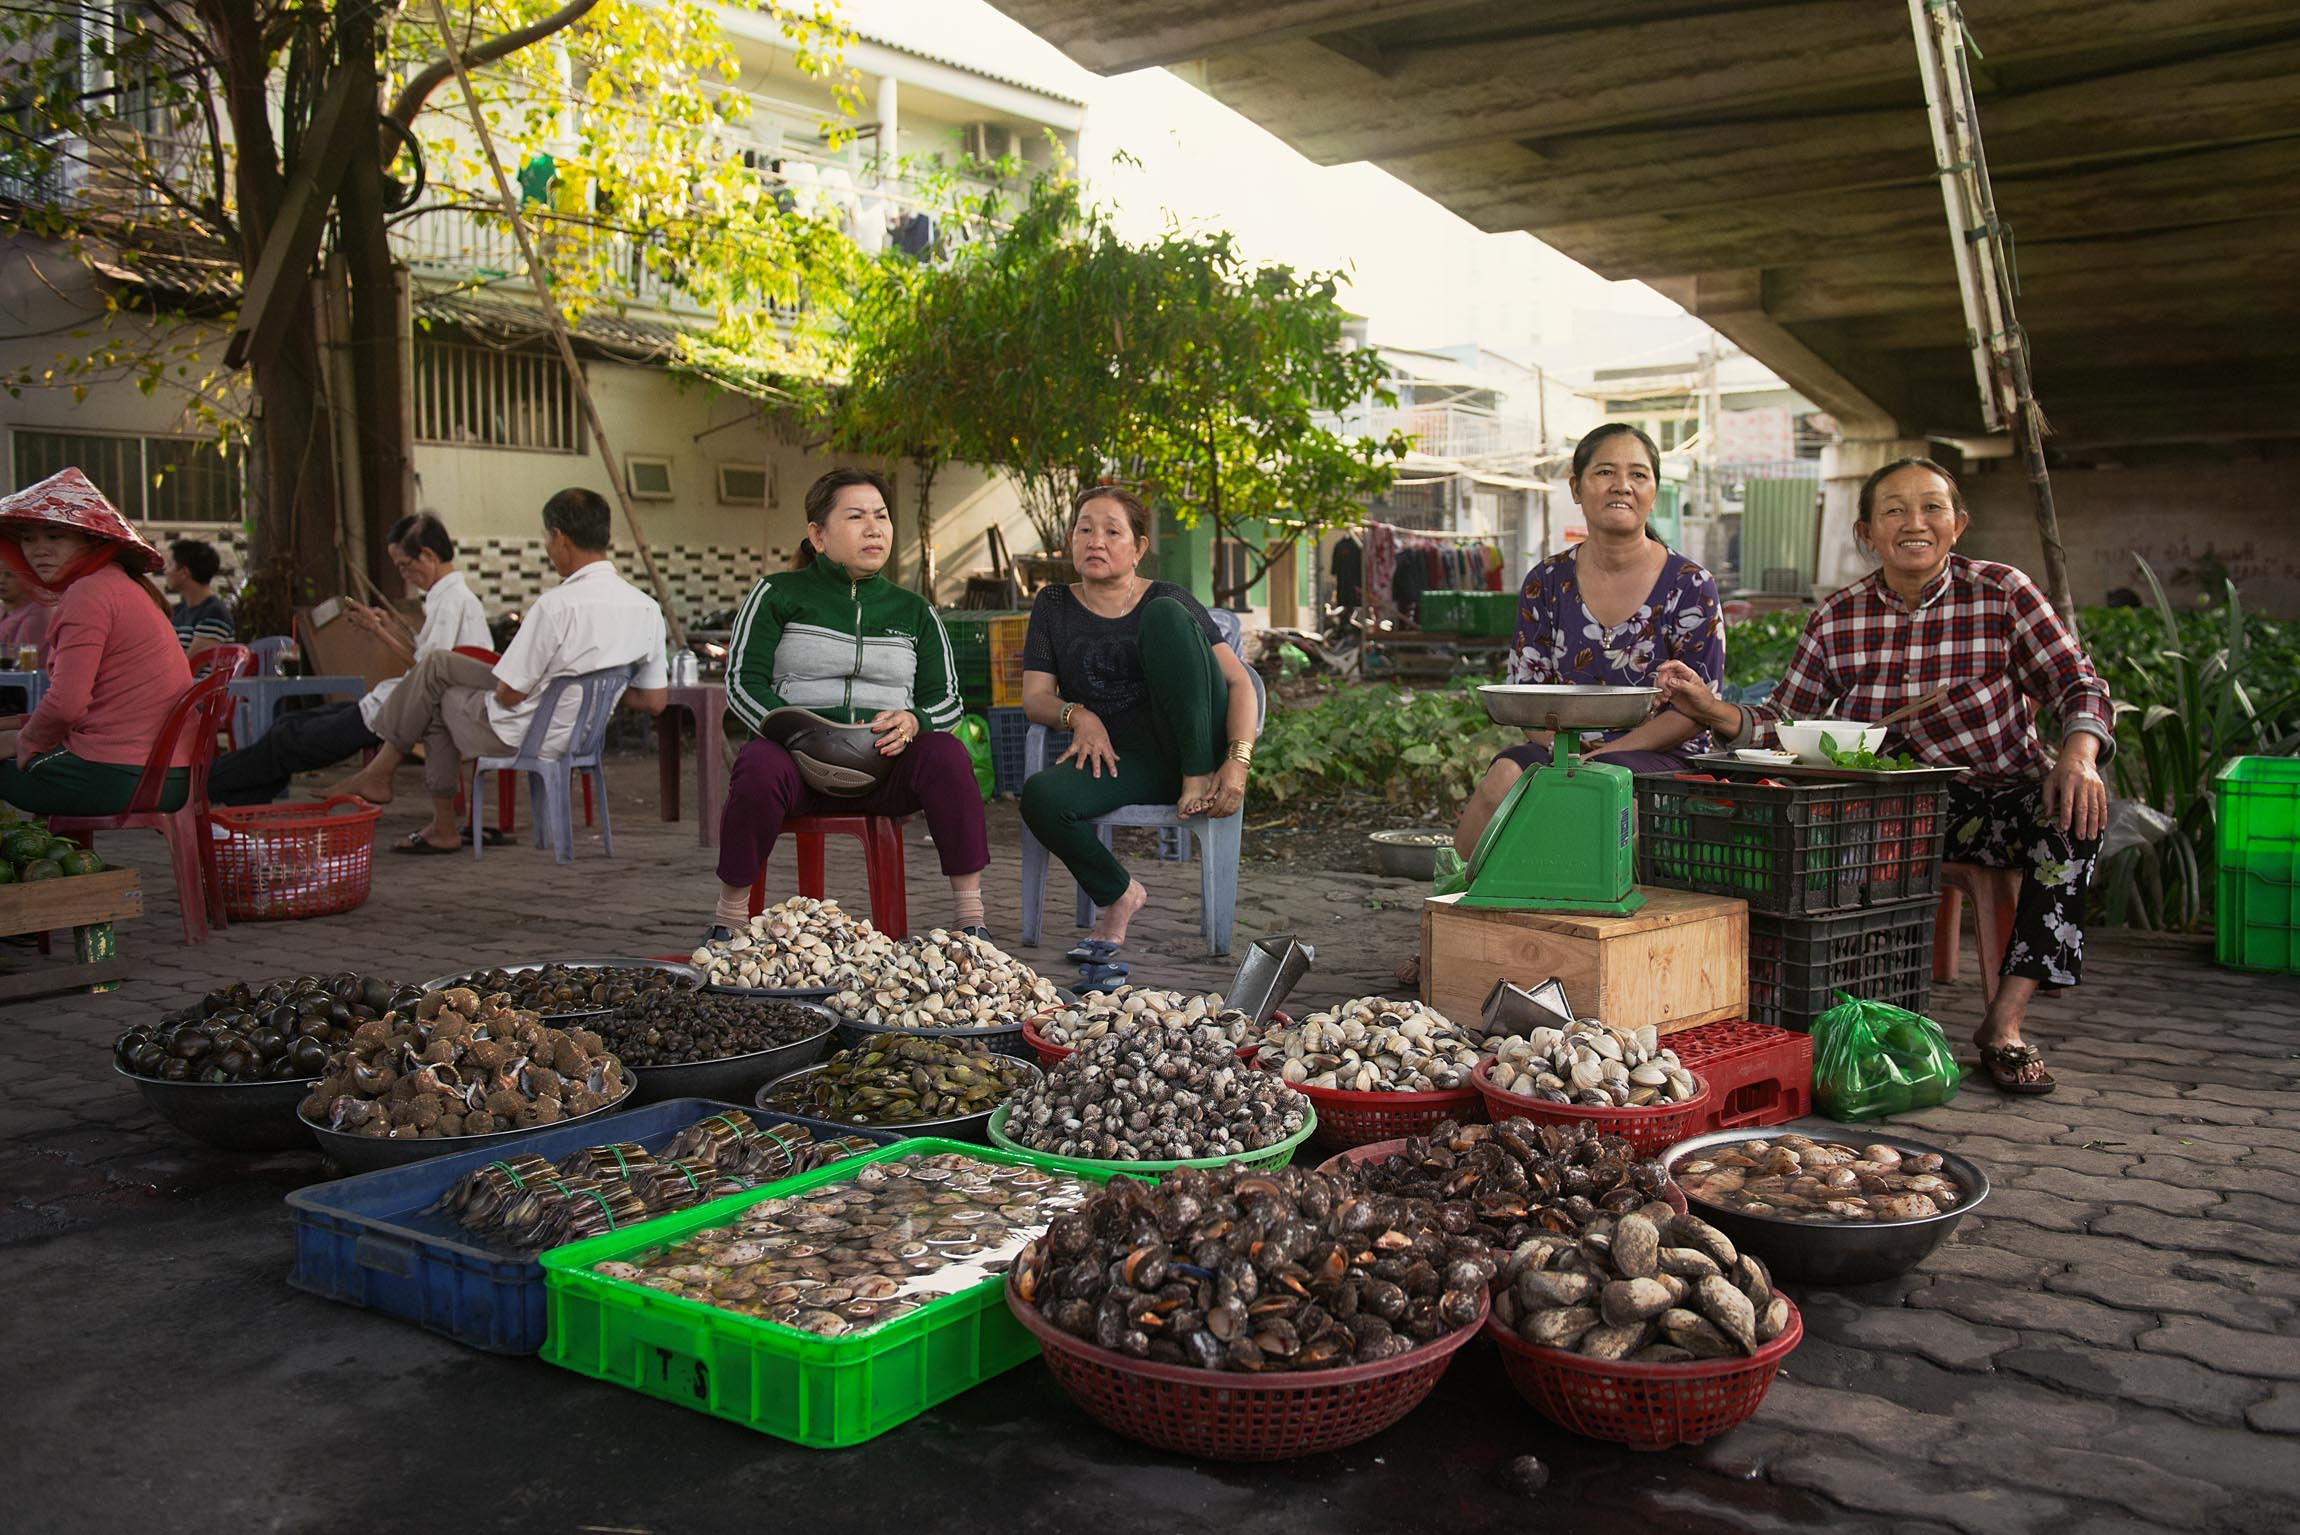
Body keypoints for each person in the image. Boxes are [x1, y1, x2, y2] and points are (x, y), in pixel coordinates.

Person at [1655, 456, 2113, 1096]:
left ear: (1958, 525)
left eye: (1931, 508)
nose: (1914, 523)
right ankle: (1839, 1014)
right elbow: (1784, 720)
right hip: (1888, 812)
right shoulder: (1837, 616)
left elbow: (2078, 684)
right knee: (1789, 834)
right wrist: (1710, 709)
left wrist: (2078, 756)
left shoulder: (2003, 593)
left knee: (2073, 819)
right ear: (1867, 533)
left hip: (1995, 802)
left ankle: (2004, 1023)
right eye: (1894, 510)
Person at [708, 468, 982, 942]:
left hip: (885, 765)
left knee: (948, 756)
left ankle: (971, 920)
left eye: (881, 516)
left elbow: (947, 700)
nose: (874, 529)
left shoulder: (915, 611)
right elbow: (742, 682)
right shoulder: (777, 594)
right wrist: (790, 729)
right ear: (818, 535)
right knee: (757, 766)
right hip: (796, 762)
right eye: (856, 517)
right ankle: (729, 919)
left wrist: (914, 720)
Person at [331, 488, 667, 850]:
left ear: (559, 537)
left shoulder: (555, 607)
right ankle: (383, 775)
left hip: (523, 732)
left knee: (436, 698)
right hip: (581, 734)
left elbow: (509, 695)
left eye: (546, 537)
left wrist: (559, 685)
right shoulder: (647, 609)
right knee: (436, 665)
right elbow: (654, 702)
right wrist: (595, 690)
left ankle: (432, 818)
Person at [1017, 486, 1260, 985]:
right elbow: (1035, 697)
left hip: (1188, 746)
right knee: (1041, 797)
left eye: (1112, 531)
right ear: (1071, 540)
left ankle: (1195, 774)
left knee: (1165, 618)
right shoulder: (1054, 604)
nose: (1096, 541)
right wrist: (1079, 716)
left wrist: (1237, 760)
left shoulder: (1168, 598)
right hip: (1118, 758)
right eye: (1085, 529)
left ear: (1139, 547)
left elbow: (1239, 683)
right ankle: (1120, 893)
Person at [1453, 423, 1727, 858]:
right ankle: (1459, 892)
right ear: (1576, 488)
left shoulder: (1691, 585)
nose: (1622, 485)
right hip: (1561, 748)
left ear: (1653, 491)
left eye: (1638, 475)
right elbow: (1528, 694)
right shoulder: (1546, 581)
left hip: (1662, 755)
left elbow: (1695, 710)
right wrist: (1568, 754)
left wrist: (1604, 754)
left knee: (1605, 787)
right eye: (1605, 472)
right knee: (1503, 777)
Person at [209, 512, 490, 811]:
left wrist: (379, 632)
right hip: (390, 703)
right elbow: (426, 660)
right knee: (287, 725)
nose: (404, 574)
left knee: (287, 739)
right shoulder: (450, 597)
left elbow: (427, 670)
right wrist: (386, 628)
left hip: (395, 713)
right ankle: (241, 795)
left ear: (429, 555)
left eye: (405, 565)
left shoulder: (450, 602)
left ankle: (204, 783)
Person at [0, 468, 193, 815]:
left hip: (119, 775)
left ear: (90, 540)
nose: (39, 551)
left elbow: (66, 706)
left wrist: (24, 740)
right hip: (162, 773)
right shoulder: (116, 583)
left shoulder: (87, 593)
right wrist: (19, 727)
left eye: (55, 536)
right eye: (28, 539)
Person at [164, 538, 234, 657]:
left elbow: (192, 663)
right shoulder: (177, 611)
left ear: (184, 572)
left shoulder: (214, 613)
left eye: (170, 564)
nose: (165, 571)